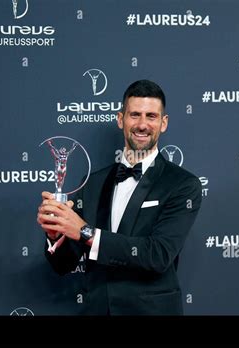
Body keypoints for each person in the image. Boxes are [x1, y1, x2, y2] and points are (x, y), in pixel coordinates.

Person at [37, 79, 202, 315]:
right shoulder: (93, 182)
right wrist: (56, 236)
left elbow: (158, 255)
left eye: (151, 116)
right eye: (134, 115)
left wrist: (86, 232)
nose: (142, 125)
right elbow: (64, 265)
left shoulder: (183, 185)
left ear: (163, 123)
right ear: (120, 119)